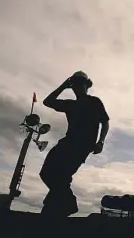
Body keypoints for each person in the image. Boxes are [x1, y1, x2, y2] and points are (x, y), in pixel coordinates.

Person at [39, 71, 110, 217]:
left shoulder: (94, 102)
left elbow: (105, 122)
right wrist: (64, 85)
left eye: (80, 84)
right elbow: (47, 102)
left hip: (82, 146)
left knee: (62, 176)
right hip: (67, 142)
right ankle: (63, 204)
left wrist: (101, 142)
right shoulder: (70, 105)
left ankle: (61, 205)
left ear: (86, 86)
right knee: (47, 173)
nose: (77, 87)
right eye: (74, 84)